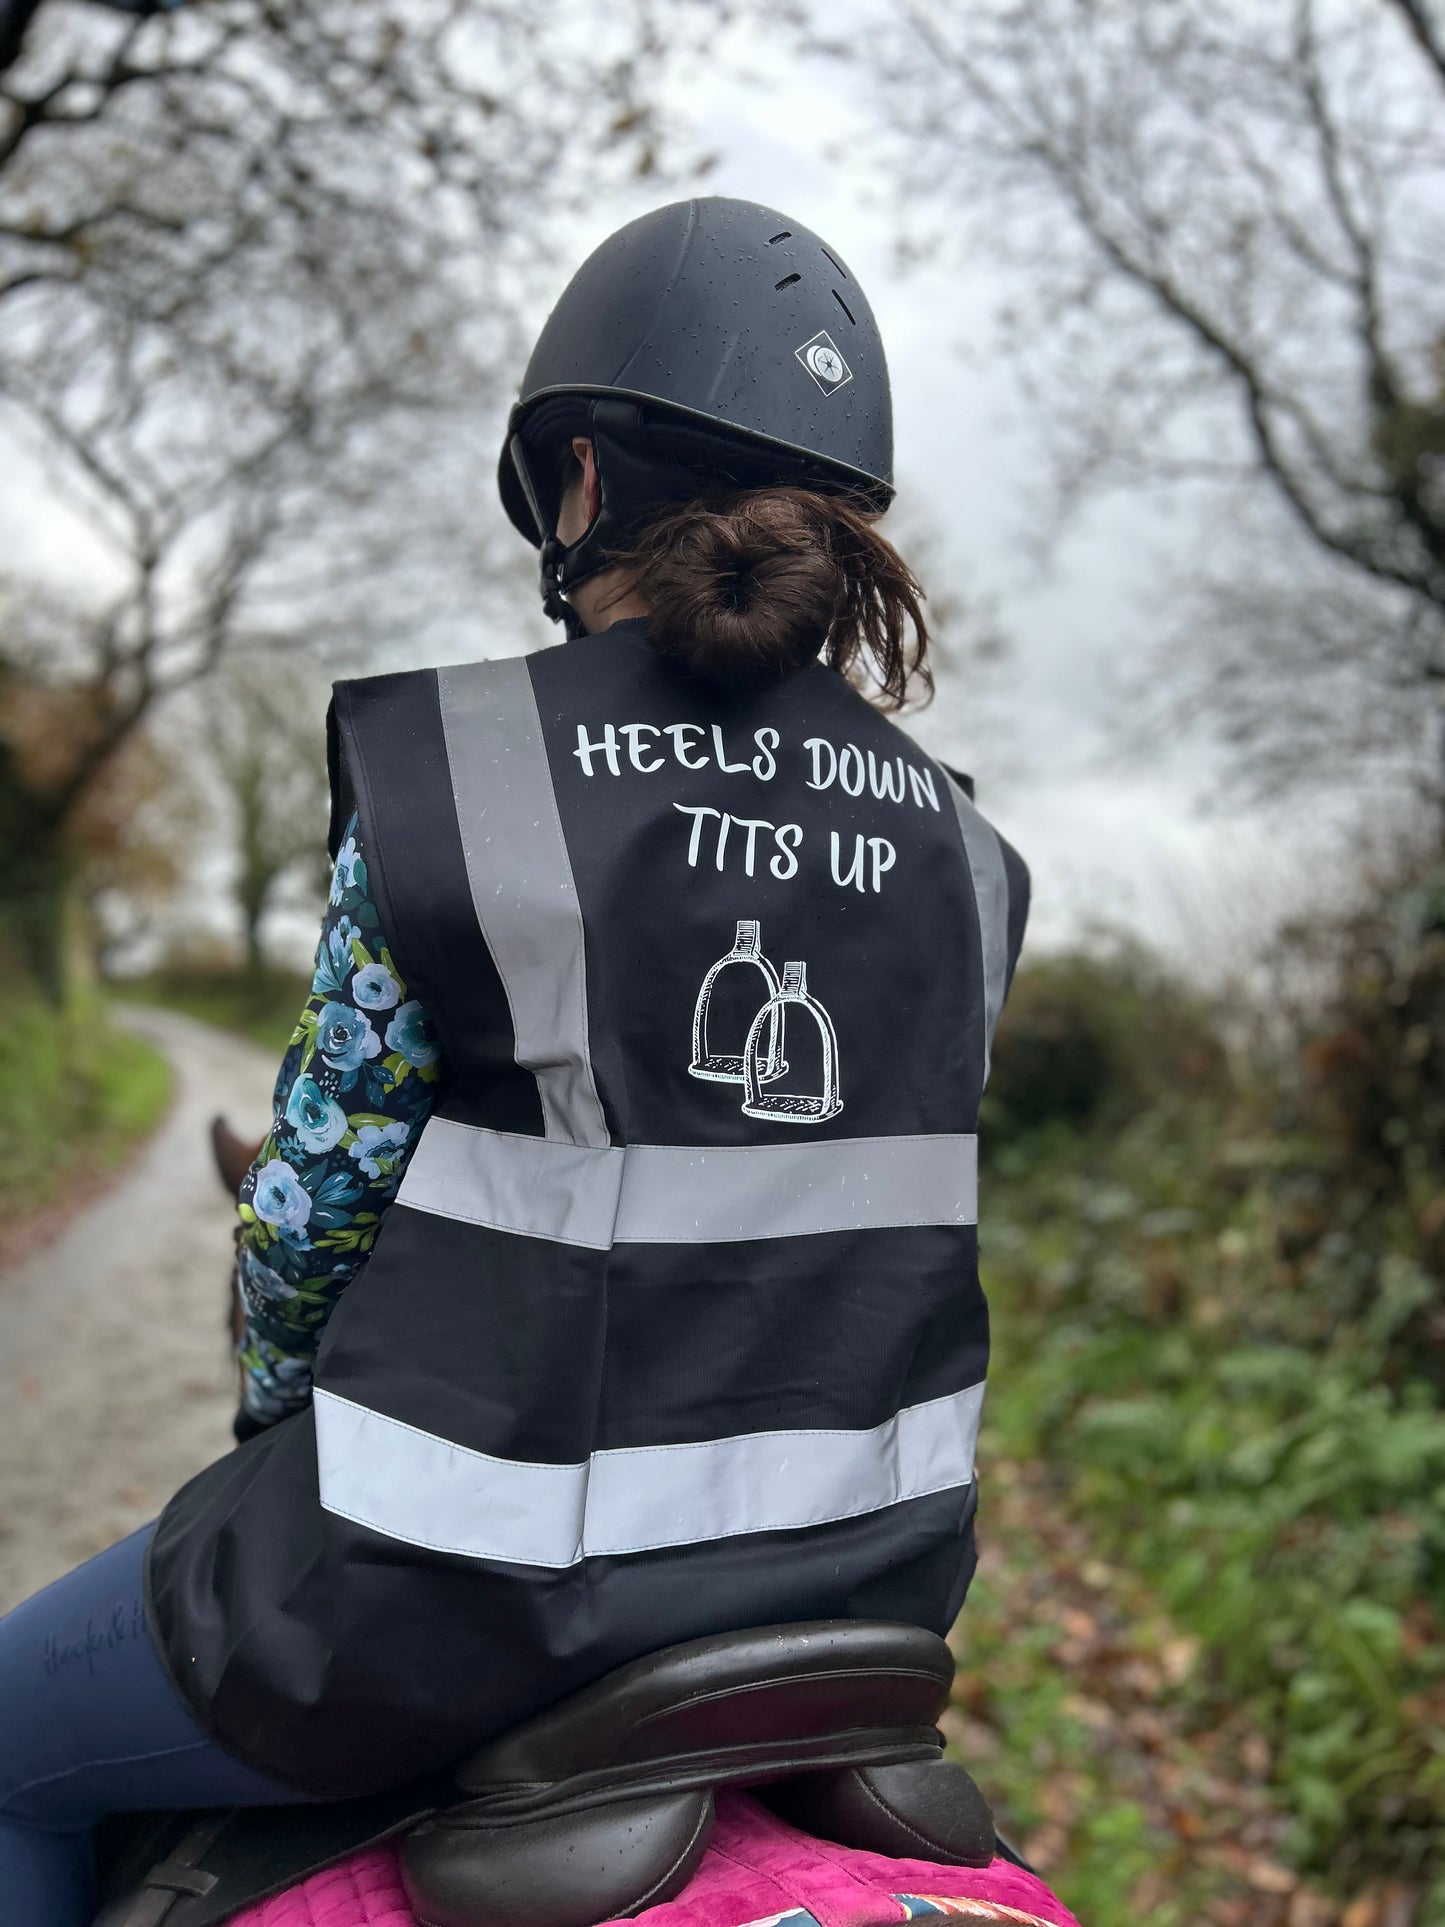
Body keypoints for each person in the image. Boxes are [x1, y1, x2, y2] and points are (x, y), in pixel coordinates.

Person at [0, 197, 1028, 1925]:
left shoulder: (468, 777)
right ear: (846, 537)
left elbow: (315, 1216)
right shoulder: (967, 861)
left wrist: (276, 1395)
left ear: (576, 488)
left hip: (446, 1601)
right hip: (860, 1603)